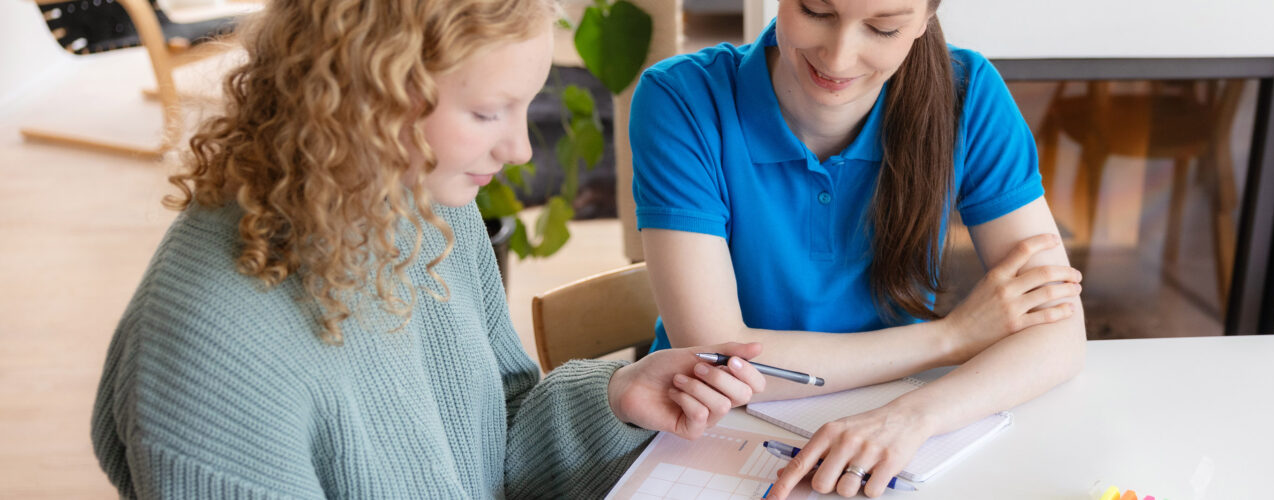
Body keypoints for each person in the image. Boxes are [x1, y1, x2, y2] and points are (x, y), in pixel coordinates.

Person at [89, 0, 767, 497]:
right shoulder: (212, 348)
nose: (520, 149)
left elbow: (492, 442)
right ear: (368, 91)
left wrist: (617, 396)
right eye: (487, 113)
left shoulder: (422, 203)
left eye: (525, 105)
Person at [629, 0, 1087, 497]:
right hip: (706, 428)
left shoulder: (967, 93)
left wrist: (912, 417)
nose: (839, 57)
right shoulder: (681, 98)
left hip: (891, 423)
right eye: (816, 11)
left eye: (883, 28)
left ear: (926, 18)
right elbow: (715, 359)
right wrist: (953, 337)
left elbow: (1058, 332)